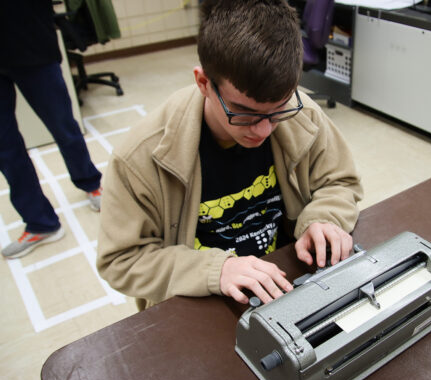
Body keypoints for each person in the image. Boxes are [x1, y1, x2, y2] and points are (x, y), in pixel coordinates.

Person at [97, 0, 363, 310]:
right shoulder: (140, 156)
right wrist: (215, 269)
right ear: (203, 83)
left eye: (277, 111)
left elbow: (340, 182)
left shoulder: (302, 114)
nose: (264, 130)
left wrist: (323, 219)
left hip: (285, 282)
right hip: (202, 301)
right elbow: (121, 260)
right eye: (245, 114)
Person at [0, 1, 103, 259]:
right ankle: (40, 222)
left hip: (32, 42)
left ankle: (91, 183)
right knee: (4, 147)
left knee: (64, 127)